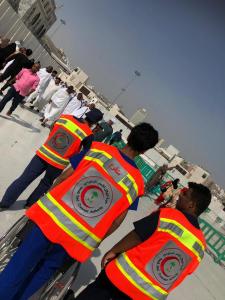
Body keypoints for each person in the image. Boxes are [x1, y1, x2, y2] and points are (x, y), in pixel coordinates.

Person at [0, 123, 159, 300]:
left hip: (51, 219)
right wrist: (96, 241)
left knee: (21, 263)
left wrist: (47, 199)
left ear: (129, 136)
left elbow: (64, 176)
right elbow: (117, 221)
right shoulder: (136, 182)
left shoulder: (99, 150)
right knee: (44, 272)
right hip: (78, 237)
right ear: (145, 151)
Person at [73, 182, 211, 300]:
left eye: (185, 194)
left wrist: (114, 250)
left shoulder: (169, 215)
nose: (180, 194)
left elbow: (137, 235)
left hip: (120, 278)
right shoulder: (200, 246)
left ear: (191, 205)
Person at [0, 108, 104, 210]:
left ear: (87, 114)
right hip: (58, 164)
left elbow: (52, 127)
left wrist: (52, 139)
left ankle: (4, 203)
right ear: (95, 123)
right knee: (46, 183)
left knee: (24, 178)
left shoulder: (65, 118)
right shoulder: (88, 135)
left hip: (43, 154)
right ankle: (29, 204)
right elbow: (85, 153)